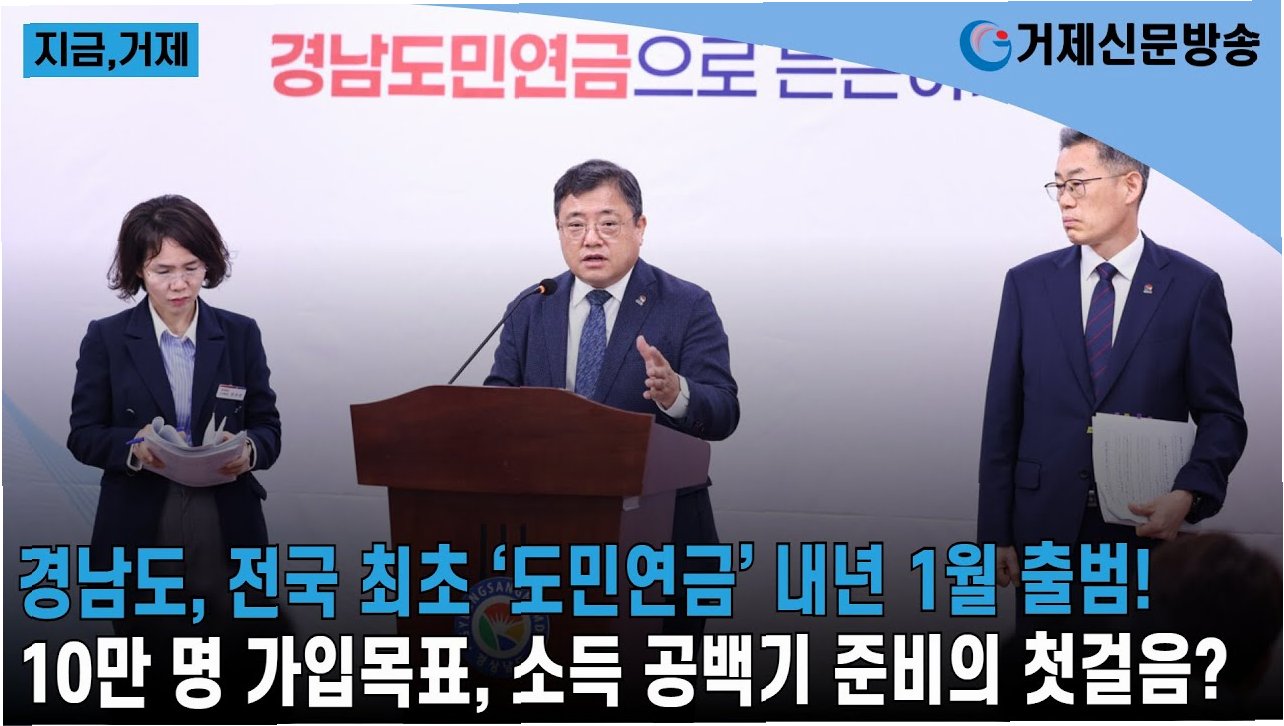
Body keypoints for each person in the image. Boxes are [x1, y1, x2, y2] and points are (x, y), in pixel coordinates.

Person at [977, 129, 1247, 587]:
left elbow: (1222, 417)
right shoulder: (1028, 284)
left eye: (1077, 184)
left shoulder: (1192, 288)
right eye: (1058, 186)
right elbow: (1003, 417)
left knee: (1133, 637)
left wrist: (1188, 493)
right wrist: (994, 532)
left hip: (1144, 533)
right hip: (1042, 533)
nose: (1065, 200)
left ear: (1130, 186)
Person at [486, 159, 740, 635]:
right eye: (575, 225)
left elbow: (724, 411)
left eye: (608, 223)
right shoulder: (531, 306)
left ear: (639, 228)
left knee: (657, 675)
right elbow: (496, 405)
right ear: (558, 231)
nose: (591, 239)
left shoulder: (686, 304)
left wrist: (677, 393)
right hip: (546, 540)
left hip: (659, 544)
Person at [67, 195, 283, 695]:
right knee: (151, 675)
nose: (180, 284)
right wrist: (134, 448)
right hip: (142, 519)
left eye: (191, 268)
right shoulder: (107, 338)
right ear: (137, 270)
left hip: (225, 520)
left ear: (209, 264)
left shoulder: (239, 334)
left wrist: (247, 451)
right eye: (162, 270)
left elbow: (268, 427)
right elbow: (83, 434)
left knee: (240, 671)